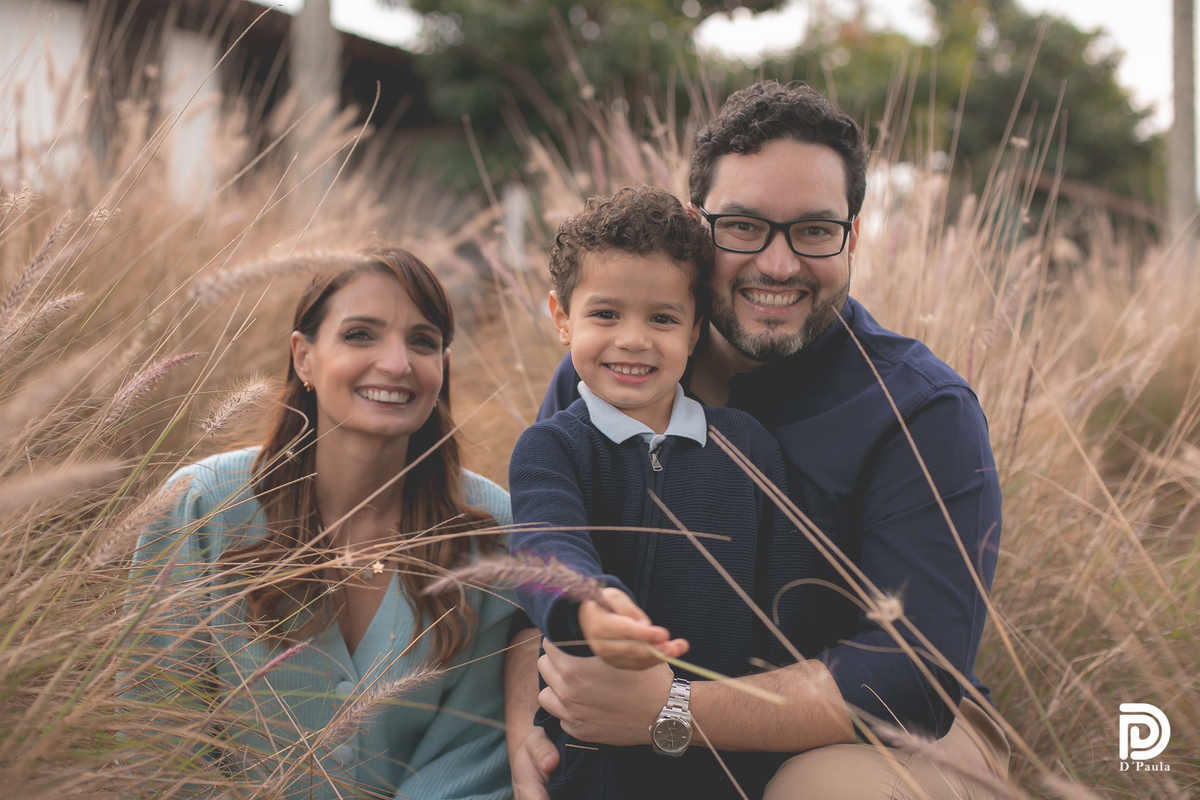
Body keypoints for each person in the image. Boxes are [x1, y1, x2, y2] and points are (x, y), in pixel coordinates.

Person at [506, 82, 1009, 799]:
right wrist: (528, 725)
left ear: (853, 238)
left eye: (813, 230)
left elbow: (912, 677)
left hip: (885, 736)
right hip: (641, 724)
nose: (778, 264)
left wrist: (668, 712)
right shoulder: (620, 369)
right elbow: (546, 547)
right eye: (742, 226)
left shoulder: (921, 409)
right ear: (695, 227)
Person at [127, 248, 517, 800]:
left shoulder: (489, 530)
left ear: (442, 367)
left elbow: (472, 755)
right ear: (304, 357)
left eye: (423, 341)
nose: (397, 363)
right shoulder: (201, 507)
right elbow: (158, 732)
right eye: (361, 334)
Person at [507, 185, 819, 798]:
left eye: (662, 318)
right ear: (561, 316)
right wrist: (592, 606)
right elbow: (546, 547)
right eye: (605, 314)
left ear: (696, 328)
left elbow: (791, 601)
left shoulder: (749, 447)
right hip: (591, 770)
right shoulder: (551, 449)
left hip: (727, 767)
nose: (633, 339)